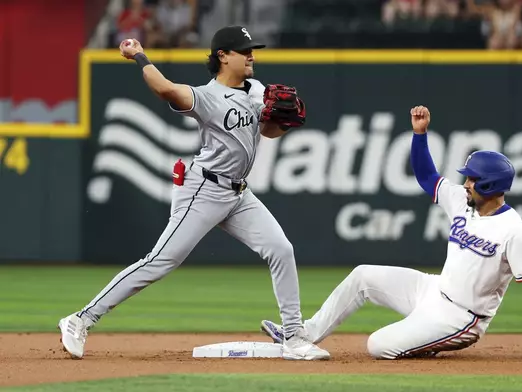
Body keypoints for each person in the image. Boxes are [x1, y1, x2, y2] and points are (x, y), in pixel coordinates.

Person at [57, 25, 330, 361]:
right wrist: (139, 55)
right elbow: (166, 89)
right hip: (203, 189)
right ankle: (79, 319)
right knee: (160, 262)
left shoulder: (256, 90)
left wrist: (284, 123)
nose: (251, 55)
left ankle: (294, 336)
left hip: (238, 195)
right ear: (223, 56)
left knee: (281, 249)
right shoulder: (207, 96)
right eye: (244, 51)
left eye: (252, 50)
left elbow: (268, 132)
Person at [259, 105, 522, 360]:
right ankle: (302, 335)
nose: (466, 184)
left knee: (378, 346)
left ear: (489, 185)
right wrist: (419, 134)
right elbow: (426, 176)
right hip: (432, 290)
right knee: (363, 275)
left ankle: (428, 343)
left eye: (472, 179)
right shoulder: (462, 201)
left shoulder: (515, 231)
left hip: (462, 317)